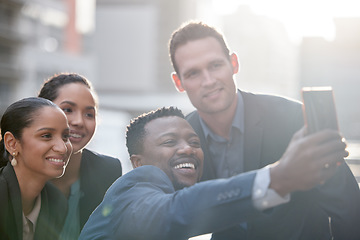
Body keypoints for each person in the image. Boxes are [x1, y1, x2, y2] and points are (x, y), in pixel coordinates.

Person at [169, 21, 360, 239]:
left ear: (234, 63)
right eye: (193, 73)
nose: (208, 81)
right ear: (179, 82)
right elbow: (166, 215)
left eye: (215, 66)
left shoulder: (294, 118)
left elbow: (348, 207)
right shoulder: (180, 139)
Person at [79, 106, 348, 240]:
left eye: (195, 142)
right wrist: (277, 178)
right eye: (170, 142)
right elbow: (174, 212)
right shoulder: (134, 189)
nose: (188, 149)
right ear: (137, 162)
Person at [37, 73, 122, 240]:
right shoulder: (10, 168)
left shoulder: (108, 171)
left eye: (89, 114)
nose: (79, 122)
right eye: (68, 110)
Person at [0, 97, 72, 240]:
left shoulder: (56, 202)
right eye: (46, 136)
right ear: (12, 144)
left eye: (65, 136)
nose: (62, 148)